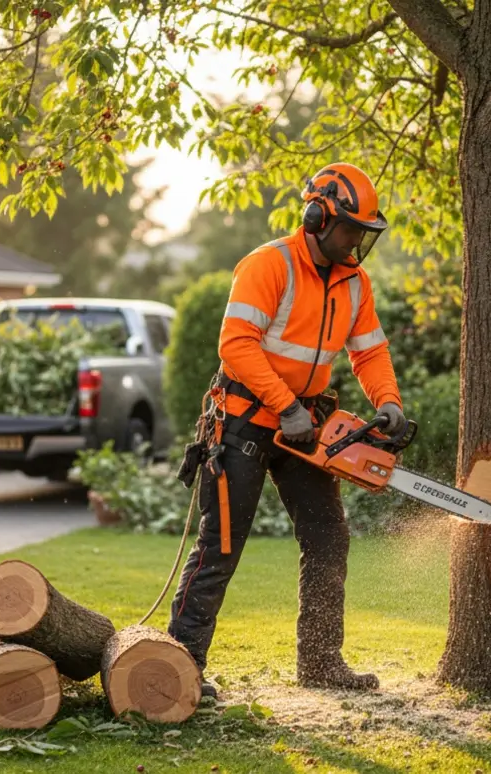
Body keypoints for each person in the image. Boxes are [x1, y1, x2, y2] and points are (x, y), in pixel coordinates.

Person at [167, 162, 406, 697]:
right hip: (246, 419)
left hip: (309, 425)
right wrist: (284, 405)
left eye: (363, 234)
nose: (355, 242)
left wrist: (387, 400)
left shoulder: (354, 281)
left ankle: (320, 662)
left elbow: (369, 351)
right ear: (318, 217)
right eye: (349, 230)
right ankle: (181, 667)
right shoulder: (268, 264)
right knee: (221, 543)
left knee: (328, 536)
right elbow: (236, 344)